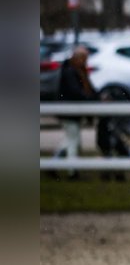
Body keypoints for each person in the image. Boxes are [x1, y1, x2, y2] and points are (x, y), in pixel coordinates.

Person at [54, 45, 97, 173]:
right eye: (83, 58)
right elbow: (76, 92)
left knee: (70, 139)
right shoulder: (71, 72)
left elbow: (89, 90)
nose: (85, 61)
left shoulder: (77, 71)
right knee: (73, 139)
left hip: (71, 111)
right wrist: (91, 100)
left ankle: (54, 163)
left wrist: (96, 98)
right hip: (69, 112)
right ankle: (72, 170)